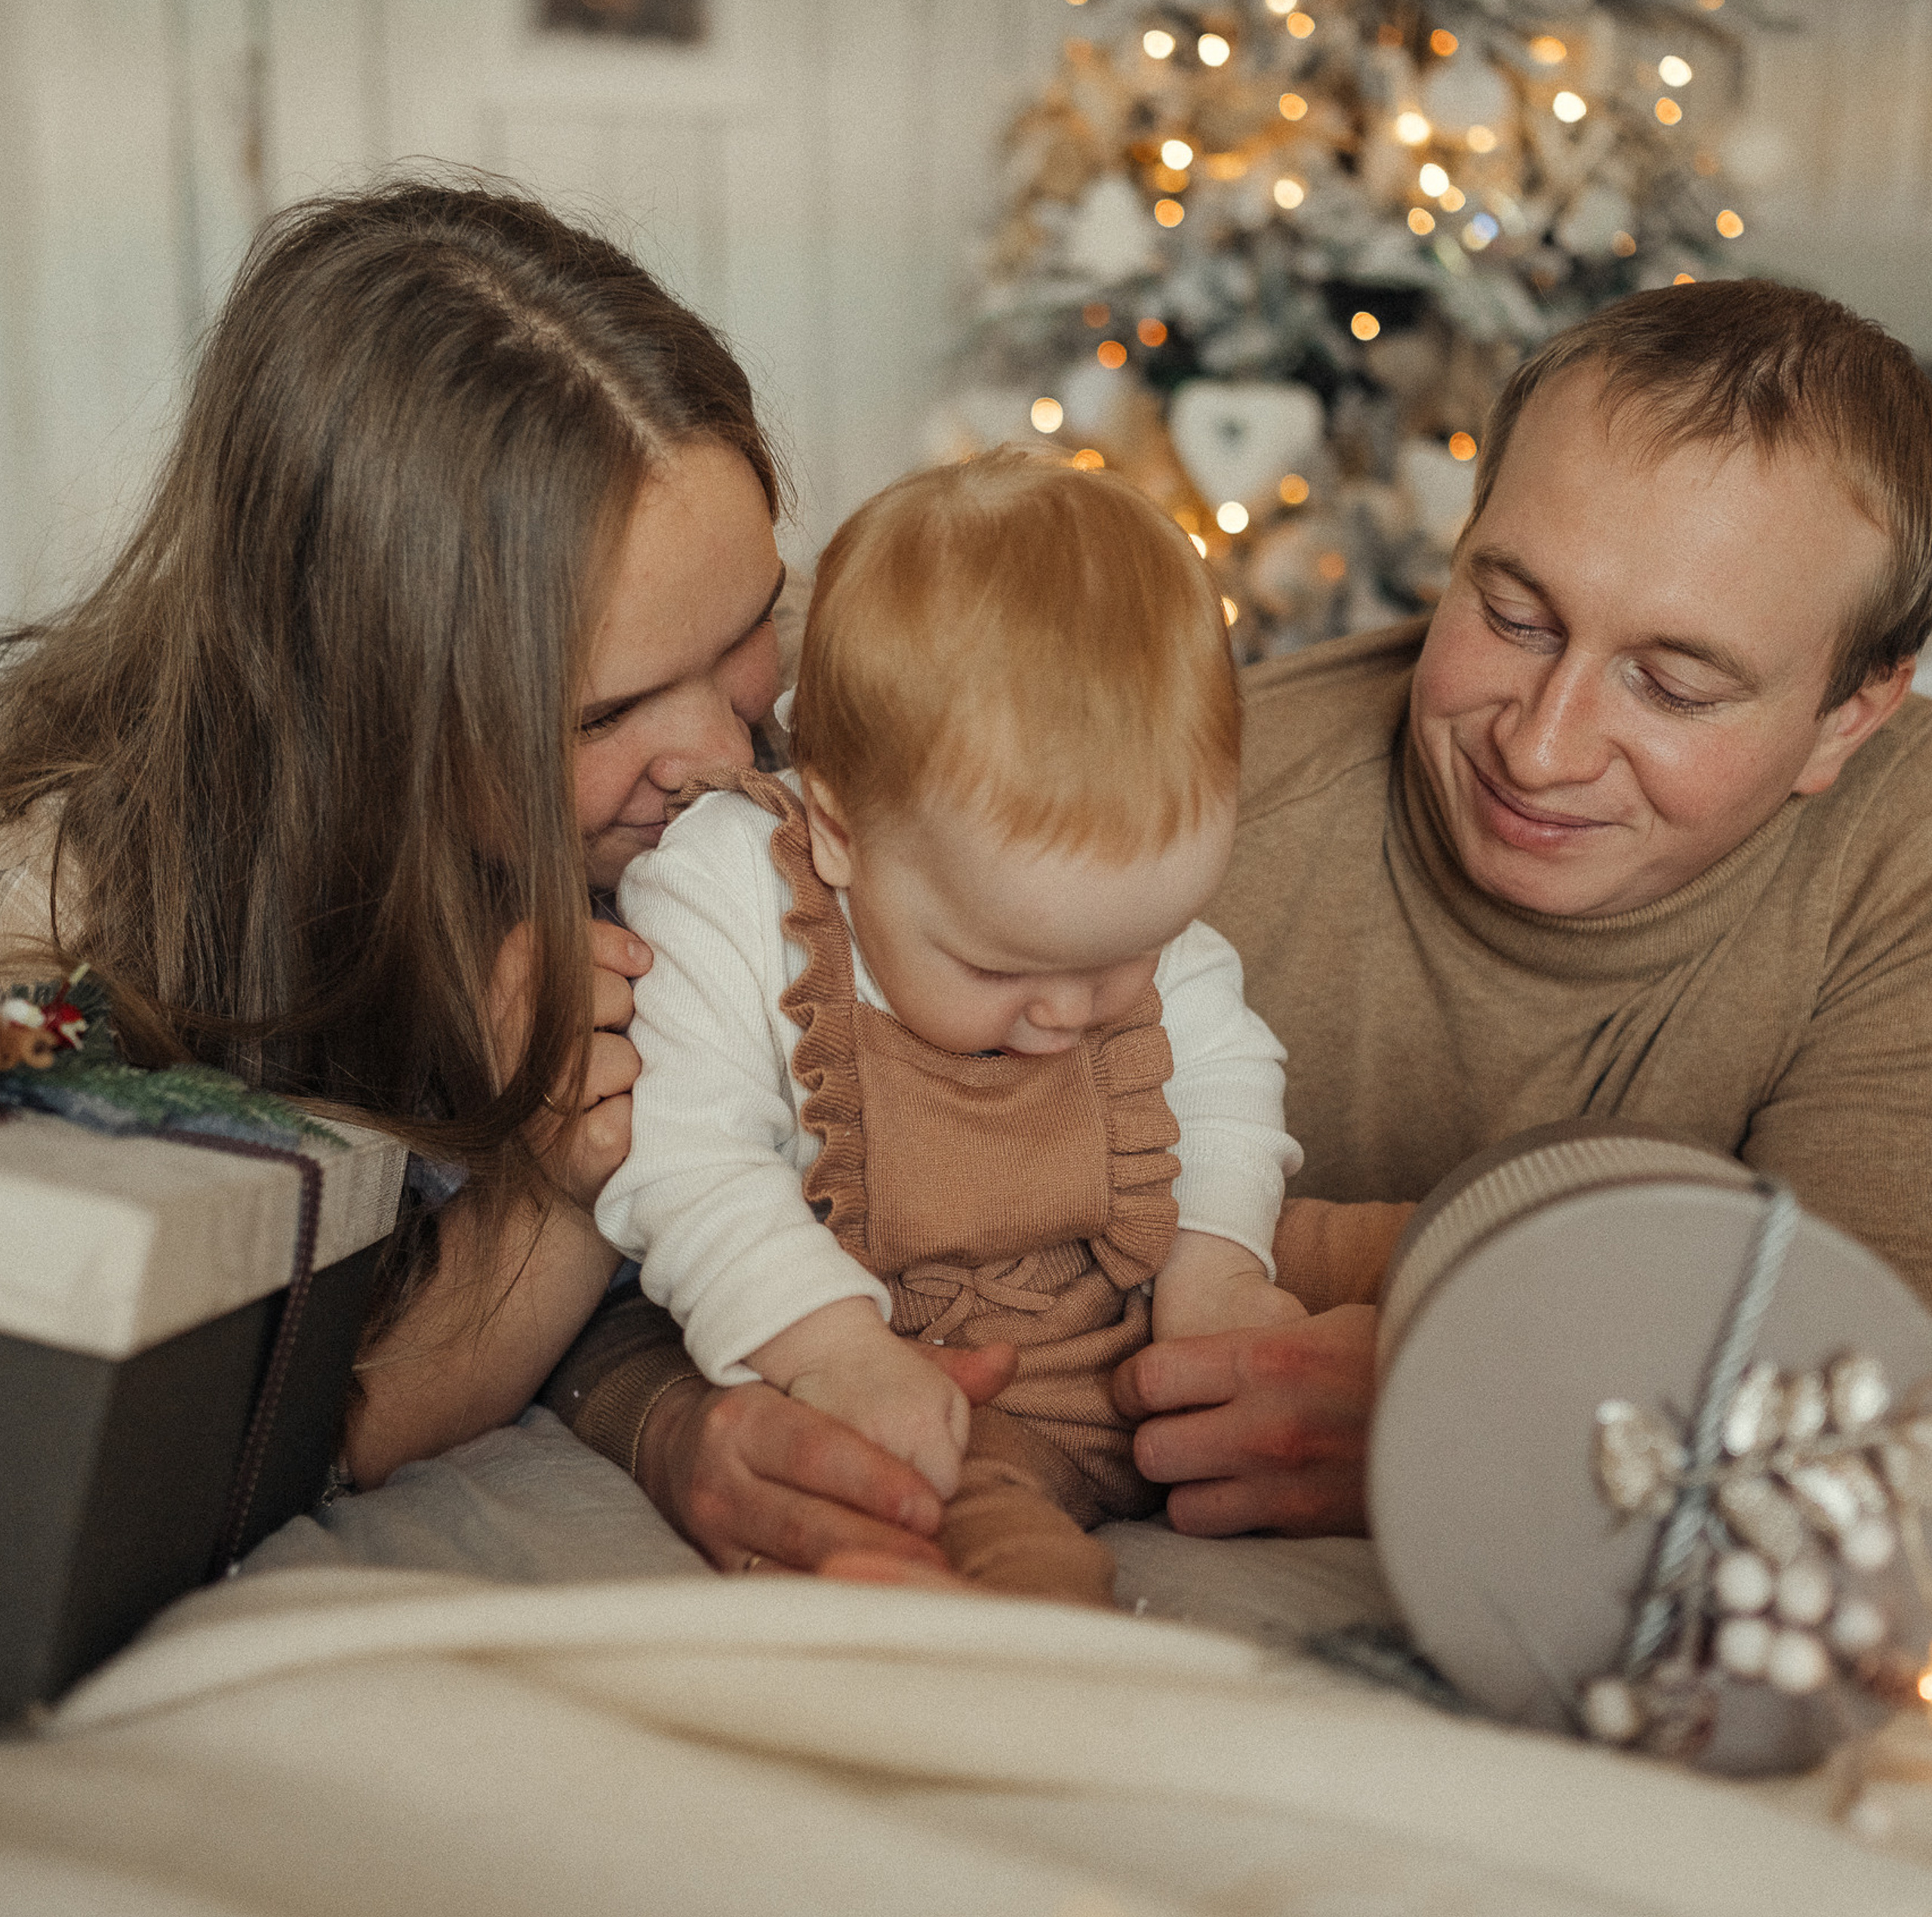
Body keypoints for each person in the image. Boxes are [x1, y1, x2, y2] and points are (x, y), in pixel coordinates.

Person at [549, 275, 1932, 1571]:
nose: (1547, 745)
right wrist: (681, 1426)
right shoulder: (1126, 821)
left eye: (1676, 688)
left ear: (1850, 717)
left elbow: (1889, 1388)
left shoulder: (1901, 872)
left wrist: (1501, 1425)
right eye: (1510, 613)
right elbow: (636, 1184)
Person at [0, 179, 1011, 1563]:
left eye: (750, 631)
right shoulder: (64, 921)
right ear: (362, 704)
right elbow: (221, 1450)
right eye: (602, 716)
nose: (723, 755)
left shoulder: (787, 823)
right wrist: (554, 1178)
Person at [593, 451, 1303, 1602]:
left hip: (1132, 1271)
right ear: (839, 834)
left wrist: (1219, 1268)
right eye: (997, 965)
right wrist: (832, 1351)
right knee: (934, 1488)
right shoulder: (727, 888)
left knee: (1414, 1245)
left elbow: (1223, 1077)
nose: (1070, 1013)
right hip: (938, 1353)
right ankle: (1045, 1648)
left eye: (1129, 953)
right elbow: (684, 1159)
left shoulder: (1097, 911)